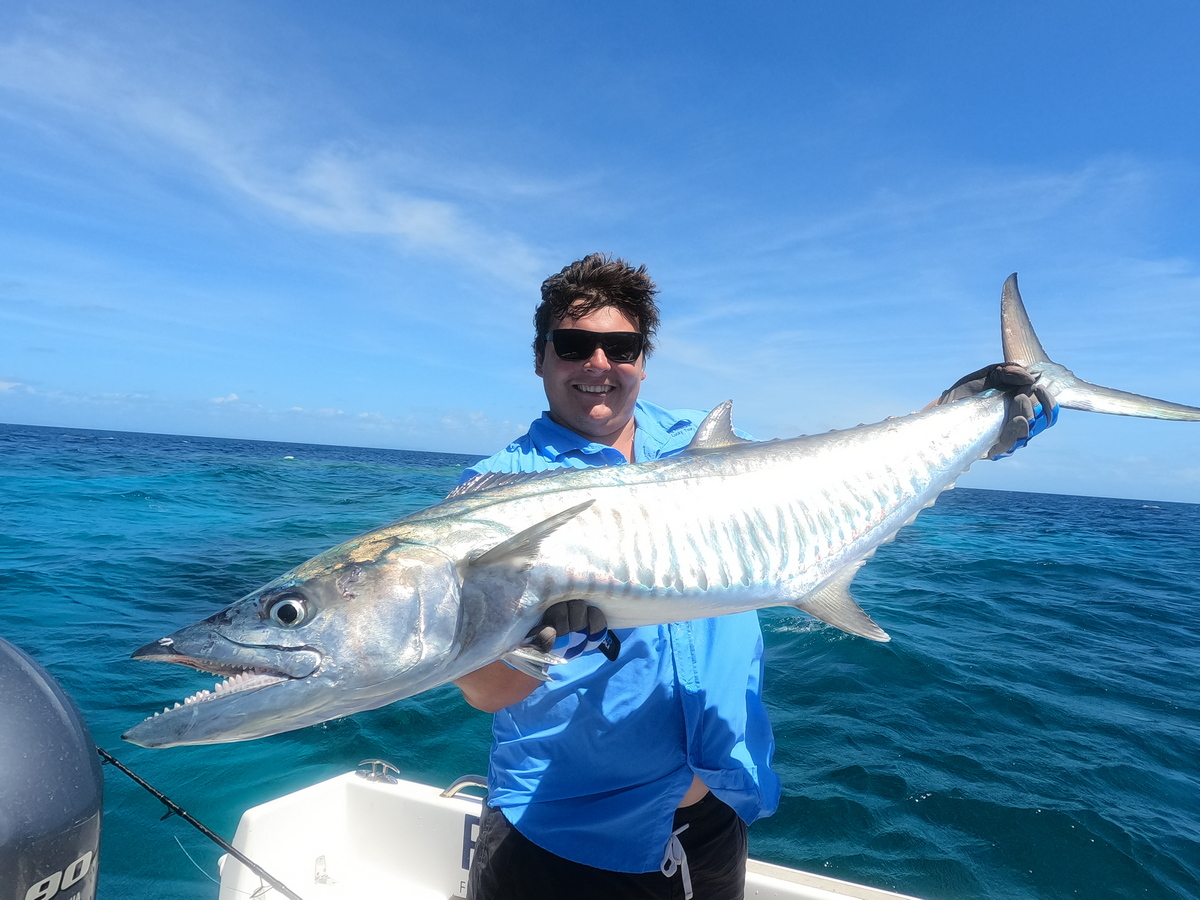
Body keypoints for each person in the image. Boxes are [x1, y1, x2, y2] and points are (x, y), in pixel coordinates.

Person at [453, 254, 1055, 900]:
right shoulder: (495, 498)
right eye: (575, 346)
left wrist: (964, 418)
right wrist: (532, 649)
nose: (599, 365)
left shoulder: (702, 444)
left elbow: (834, 483)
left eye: (620, 347)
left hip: (715, 819)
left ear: (643, 361)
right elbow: (481, 690)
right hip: (562, 842)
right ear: (540, 358)